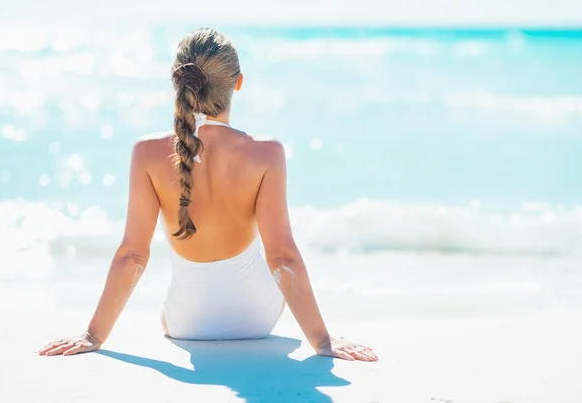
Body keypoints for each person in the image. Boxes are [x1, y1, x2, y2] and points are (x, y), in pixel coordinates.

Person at [38, 28, 377, 362]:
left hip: (186, 324)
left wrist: (93, 335)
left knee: (168, 305)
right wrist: (322, 340)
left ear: (177, 83)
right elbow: (283, 258)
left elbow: (132, 255)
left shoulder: (147, 152)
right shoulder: (266, 153)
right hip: (259, 318)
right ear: (238, 83)